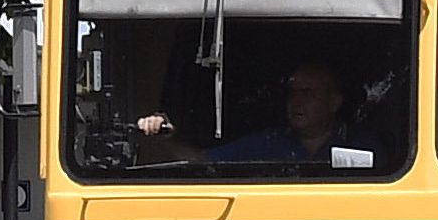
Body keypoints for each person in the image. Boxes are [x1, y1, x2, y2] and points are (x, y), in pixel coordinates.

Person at [135, 59, 364, 171]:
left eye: (308, 93)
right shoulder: (266, 144)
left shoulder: (364, 147)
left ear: (335, 102)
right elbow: (201, 162)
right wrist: (168, 136)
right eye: (292, 93)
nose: (296, 101)